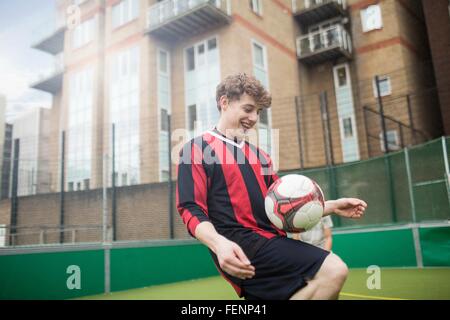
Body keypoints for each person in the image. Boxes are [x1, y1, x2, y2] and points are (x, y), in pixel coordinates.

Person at [176, 73, 367, 300]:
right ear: (224, 102)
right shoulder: (195, 149)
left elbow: (283, 208)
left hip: (272, 242)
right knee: (333, 270)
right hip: (240, 246)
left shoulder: (261, 156)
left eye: (258, 112)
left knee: (312, 285)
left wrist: (332, 205)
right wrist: (219, 245)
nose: (254, 117)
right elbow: (190, 208)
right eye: (248, 109)